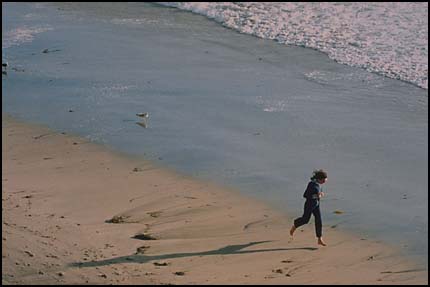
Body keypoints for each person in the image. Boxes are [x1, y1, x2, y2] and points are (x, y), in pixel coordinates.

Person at [290, 169, 328, 246]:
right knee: (305, 220)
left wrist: (320, 194)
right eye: (323, 180)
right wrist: (317, 195)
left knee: (319, 220)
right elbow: (305, 195)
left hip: (316, 204)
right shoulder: (311, 184)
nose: (325, 182)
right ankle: (295, 225)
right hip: (309, 204)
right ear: (319, 179)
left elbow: (318, 192)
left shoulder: (318, 184)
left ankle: (319, 238)